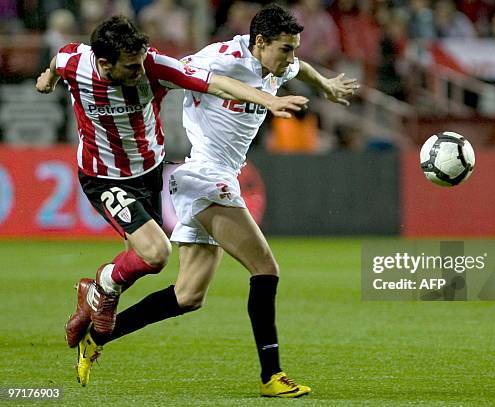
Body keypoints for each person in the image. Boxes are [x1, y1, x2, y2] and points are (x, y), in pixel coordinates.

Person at [73, 5, 358, 398]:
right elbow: (179, 72)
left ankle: (99, 336)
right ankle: (271, 376)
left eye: (294, 49)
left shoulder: (277, 64)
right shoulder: (220, 58)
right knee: (266, 269)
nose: (291, 58)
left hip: (218, 178)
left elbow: (300, 68)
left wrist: (324, 84)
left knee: (188, 296)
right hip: (204, 177)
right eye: (286, 49)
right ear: (260, 42)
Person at [36, 13, 307, 380]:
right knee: (160, 253)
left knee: (189, 295)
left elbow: (219, 85)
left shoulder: (156, 66)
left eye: (141, 62)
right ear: (103, 63)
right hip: (105, 176)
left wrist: (271, 100)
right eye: (130, 67)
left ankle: (98, 327)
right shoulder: (75, 62)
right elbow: (57, 61)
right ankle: (271, 376)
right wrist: (48, 77)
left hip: (149, 174)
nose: (139, 72)